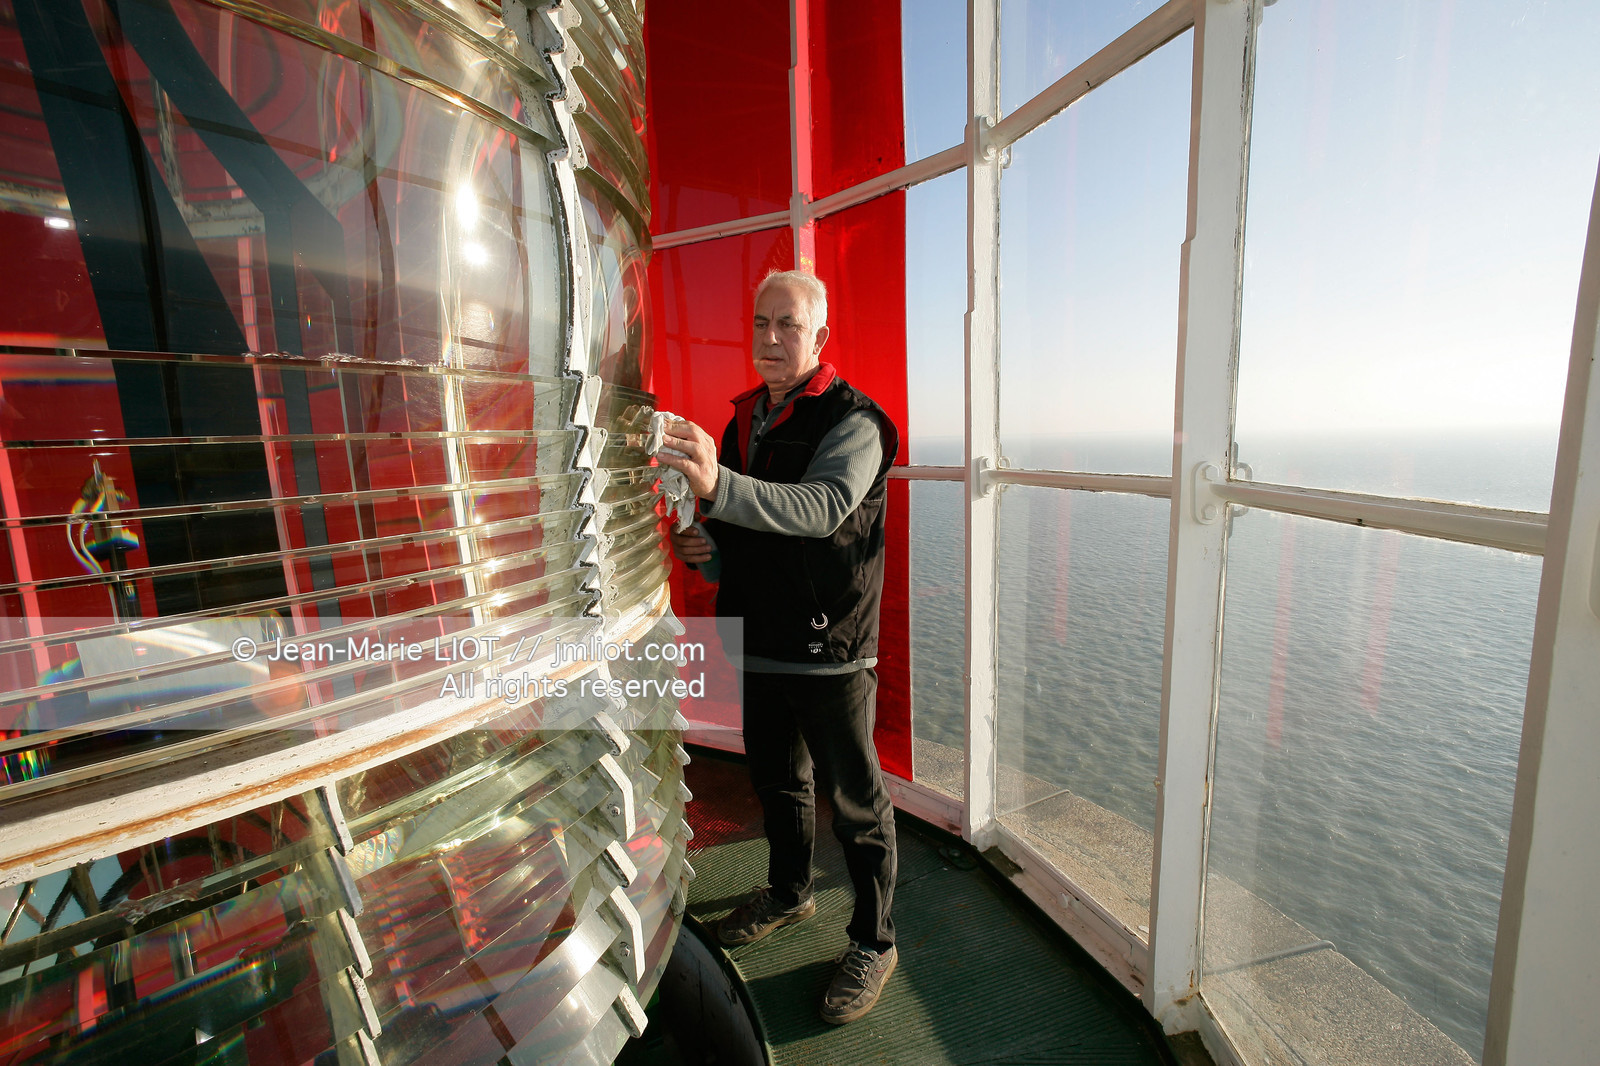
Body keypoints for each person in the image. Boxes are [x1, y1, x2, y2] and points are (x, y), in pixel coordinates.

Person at [656, 269, 900, 1026]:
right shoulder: (744, 421)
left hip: (832, 648)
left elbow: (824, 509)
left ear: (819, 337)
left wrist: (720, 486)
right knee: (780, 784)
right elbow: (743, 530)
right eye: (760, 322)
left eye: (787, 325)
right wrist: (711, 552)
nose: (769, 338)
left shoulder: (857, 422)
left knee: (856, 804)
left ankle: (874, 940)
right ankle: (791, 893)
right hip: (759, 639)